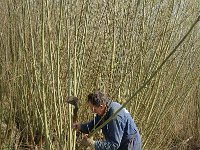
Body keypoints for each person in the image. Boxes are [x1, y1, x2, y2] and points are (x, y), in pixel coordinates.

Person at [73, 91, 141, 150]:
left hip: (129, 145)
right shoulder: (104, 111)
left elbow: (114, 145)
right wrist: (80, 127)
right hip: (121, 143)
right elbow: (93, 125)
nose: (93, 112)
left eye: (94, 109)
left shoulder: (114, 116)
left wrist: (93, 143)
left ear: (101, 106)